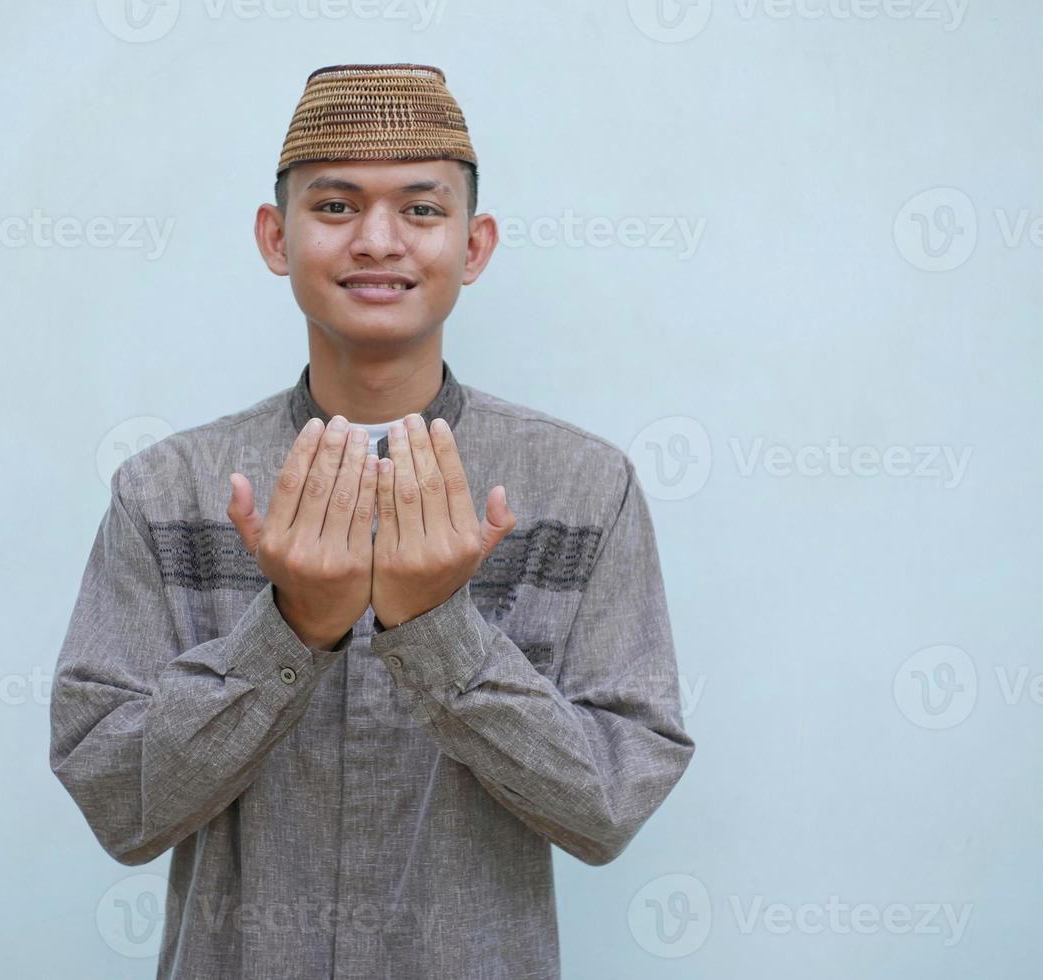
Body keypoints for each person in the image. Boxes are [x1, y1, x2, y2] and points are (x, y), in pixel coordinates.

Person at [50, 62, 695, 980]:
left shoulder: (583, 488)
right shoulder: (169, 491)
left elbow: (607, 805)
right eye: (337, 206)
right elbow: (117, 803)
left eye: (421, 211)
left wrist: (439, 633)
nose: (378, 240)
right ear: (277, 237)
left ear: (474, 247)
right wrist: (289, 630)